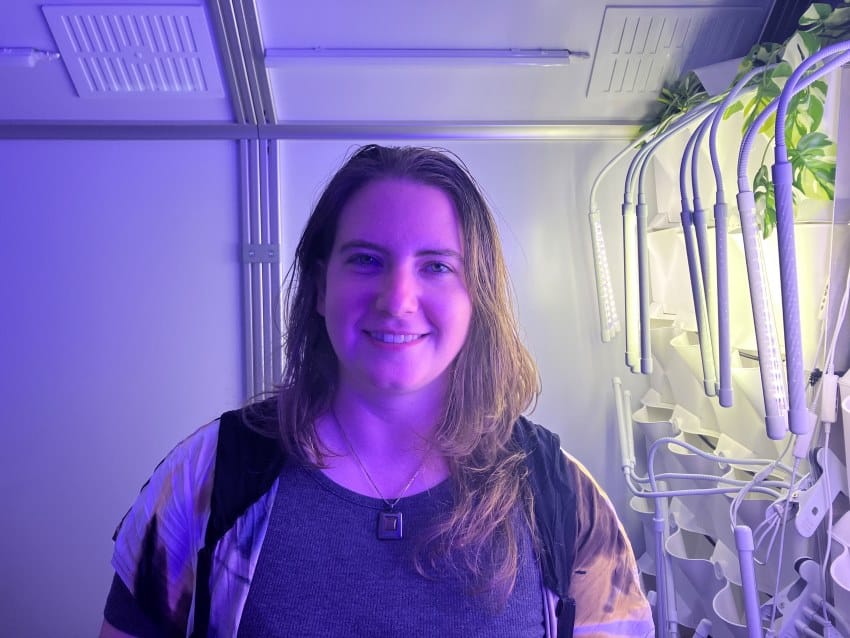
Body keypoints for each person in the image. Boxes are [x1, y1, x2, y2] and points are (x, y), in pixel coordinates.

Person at [100, 144, 655, 637]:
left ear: (476, 298)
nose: (397, 298)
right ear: (320, 288)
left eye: (436, 266)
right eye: (366, 260)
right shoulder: (209, 476)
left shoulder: (561, 497)